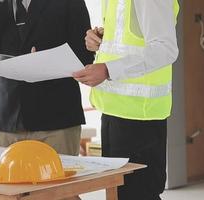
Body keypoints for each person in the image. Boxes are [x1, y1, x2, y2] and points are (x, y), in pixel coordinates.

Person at [73, 0, 179, 199]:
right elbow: (129, 40)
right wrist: (98, 39)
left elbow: (165, 49)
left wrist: (107, 69)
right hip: (114, 112)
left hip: (141, 117)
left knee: (138, 193)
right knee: (119, 192)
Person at [0, 0, 94, 157]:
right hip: (9, 118)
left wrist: (47, 60)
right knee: (9, 180)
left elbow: (85, 55)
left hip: (57, 118)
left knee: (59, 180)